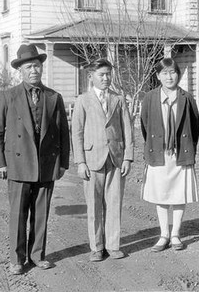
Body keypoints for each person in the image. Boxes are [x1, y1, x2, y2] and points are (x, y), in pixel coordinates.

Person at [0, 43, 70, 275]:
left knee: (41, 212)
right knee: (18, 213)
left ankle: (37, 255)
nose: (33, 70)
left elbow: (63, 132)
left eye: (36, 65)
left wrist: (63, 162)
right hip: (17, 164)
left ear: (41, 68)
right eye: (28, 67)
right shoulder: (8, 97)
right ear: (20, 71)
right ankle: (16, 259)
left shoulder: (54, 97)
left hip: (46, 165)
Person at [71, 58, 134, 262]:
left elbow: (127, 129)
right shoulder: (82, 100)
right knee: (94, 205)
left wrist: (128, 158)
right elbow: (77, 133)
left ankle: (113, 245)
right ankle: (96, 247)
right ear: (91, 77)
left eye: (108, 74)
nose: (106, 78)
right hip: (92, 159)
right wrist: (80, 162)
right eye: (101, 75)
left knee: (114, 203)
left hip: (115, 158)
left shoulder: (118, 99)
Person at [140, 58, 199, 252]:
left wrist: (186, 146)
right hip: (159, 152)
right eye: (164, 73)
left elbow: (195, 126)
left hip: (180, 152)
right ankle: (164, 233)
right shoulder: (150, 98)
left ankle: (176, 234)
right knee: (161, 194)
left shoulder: (187, 97)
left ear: (178, 75)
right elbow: (145, 125)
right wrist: (156, 143)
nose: (169, 76)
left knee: (178, 194)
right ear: (158, 76)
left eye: (172, 72)